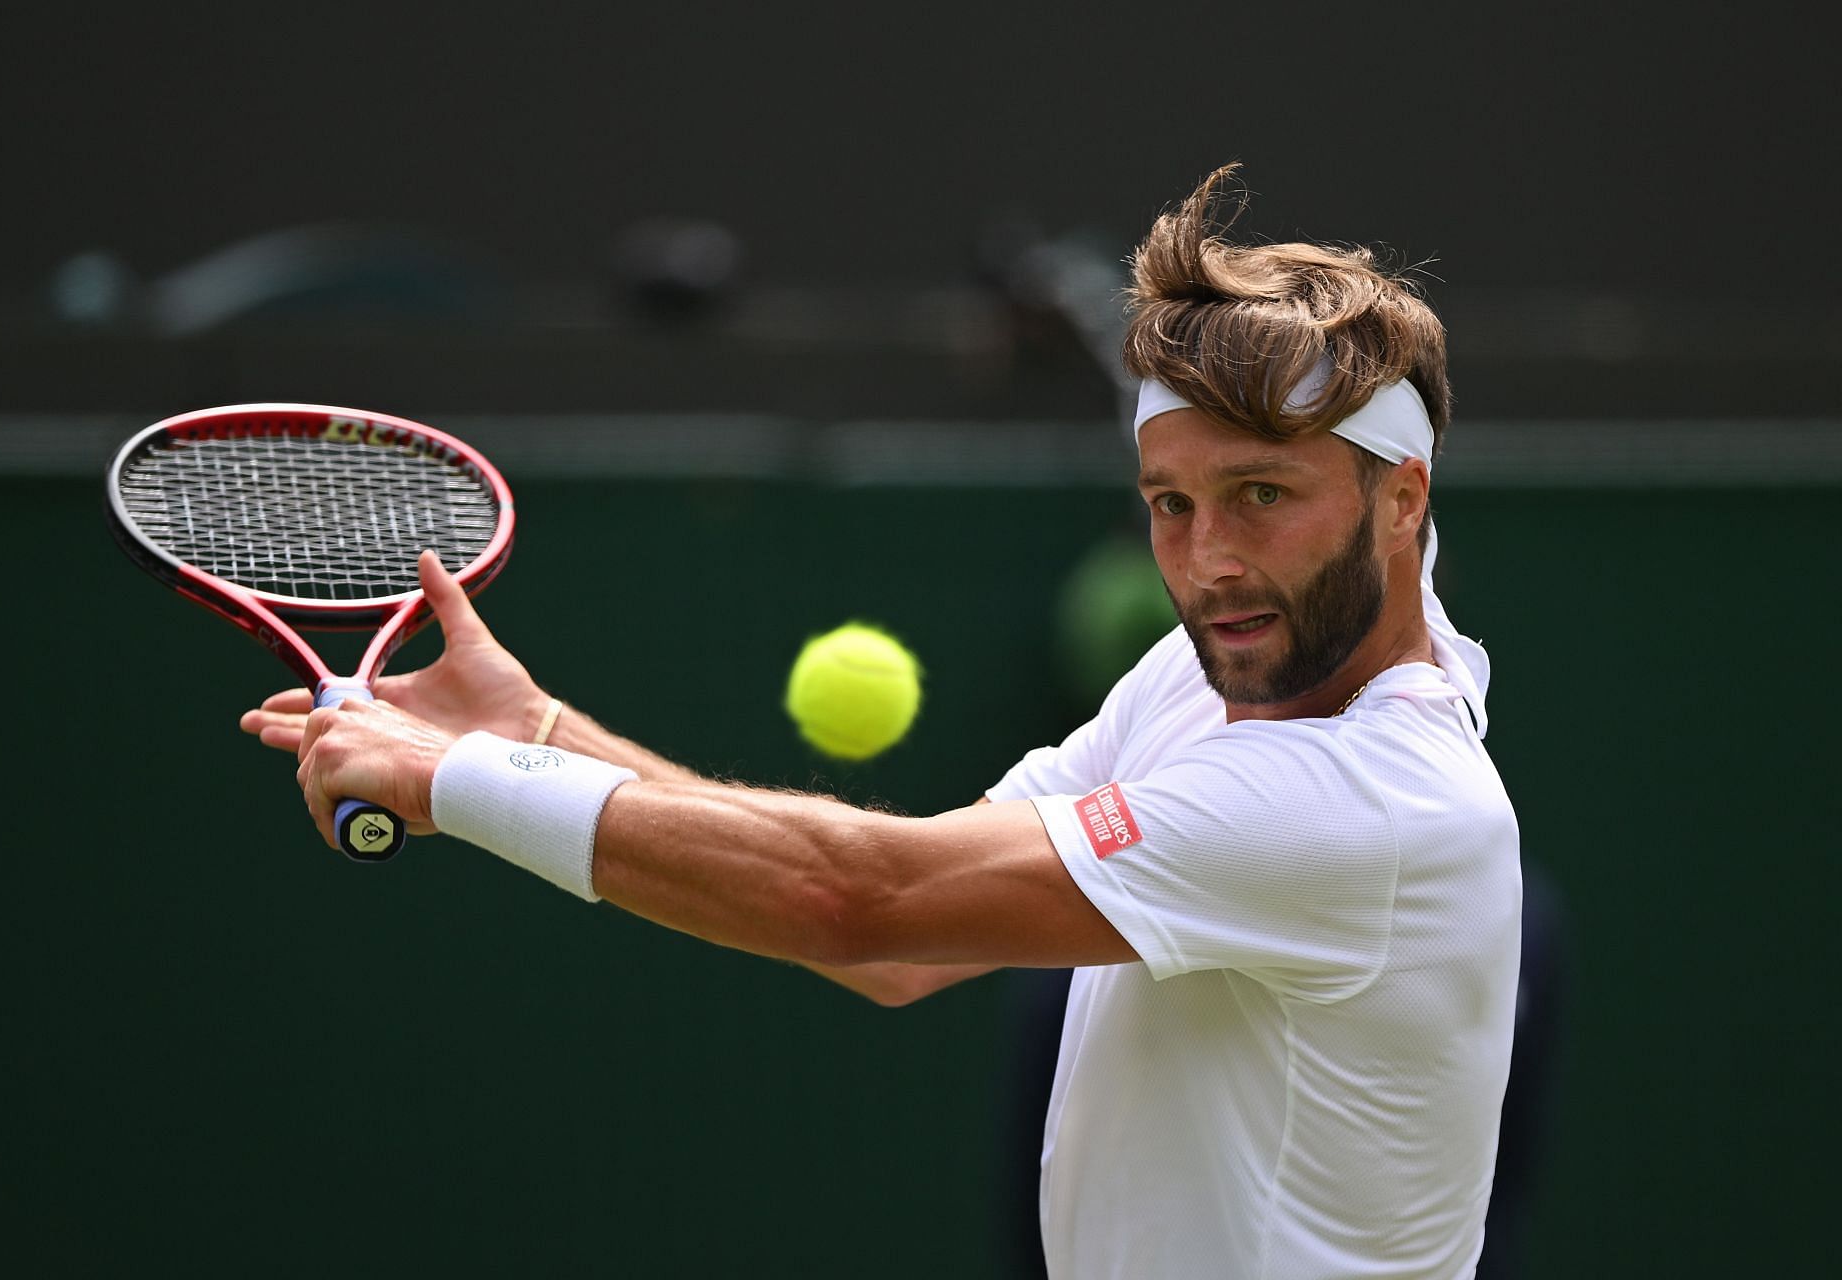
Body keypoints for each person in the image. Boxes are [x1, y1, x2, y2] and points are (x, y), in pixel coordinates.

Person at [242, 166, 1520, 1279]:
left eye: (1260, 494)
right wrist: (537, 727)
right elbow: (897, 951)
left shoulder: (1367, 802)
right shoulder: (1204, 681)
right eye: (1171, 502)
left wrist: (454, 777)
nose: (1208, 559)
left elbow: (861, 901)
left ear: (1400, 499)